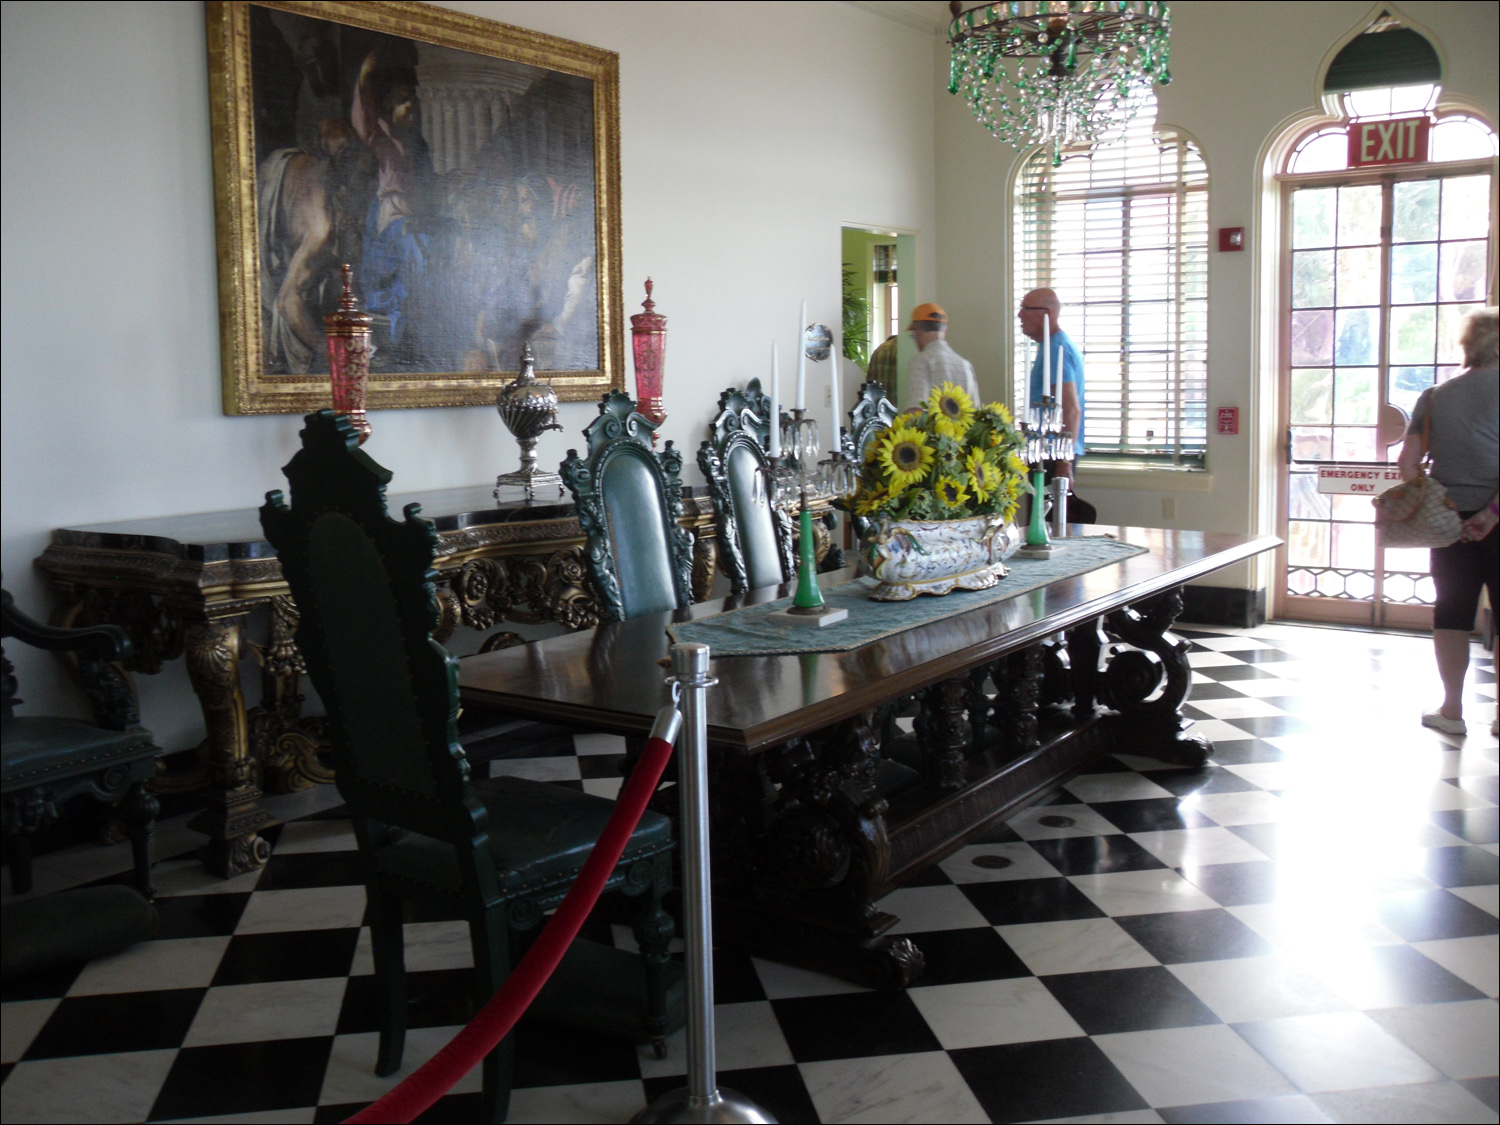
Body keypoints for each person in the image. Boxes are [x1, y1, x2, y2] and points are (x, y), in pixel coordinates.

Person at [1395, 306, 1499, 737]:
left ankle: (1452, 710)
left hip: (1450, 521)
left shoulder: (1435, 396)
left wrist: (1450, 500)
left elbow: (1407, 465)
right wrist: (1491, 515)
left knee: (1452, 613)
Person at [1018, 288, 1084, 480]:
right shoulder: (1050, 345)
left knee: (1046, 510)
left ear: (1047, 313)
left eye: (1026, 309)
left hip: (1052, 454)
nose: (1020, 314)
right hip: (1044, 452)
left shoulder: (1055, 349)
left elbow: (1071, 409)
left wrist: (1064, 462)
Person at [905, 302, 980, 409]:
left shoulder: (920, 360)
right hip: (961, 426)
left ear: (918, 332)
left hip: (933, 426)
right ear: (945, 331)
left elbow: (916, 408)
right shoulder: (965, 365)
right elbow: (975, 410)